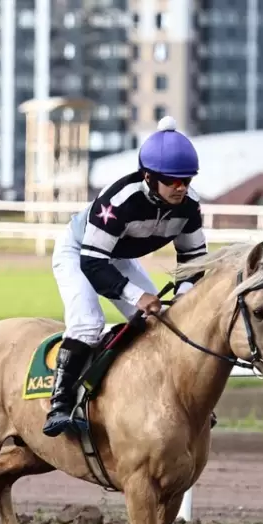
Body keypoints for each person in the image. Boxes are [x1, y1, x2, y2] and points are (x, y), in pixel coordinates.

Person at [43, 115, 210, 438]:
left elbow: (192, 259)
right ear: (149, 177)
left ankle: (159, 399)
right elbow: (92, 264)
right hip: (81, 252)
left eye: (187, 180)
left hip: (117, 256)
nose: (182, 188)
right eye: (173, 181)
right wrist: (137, 296)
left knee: (162, 323)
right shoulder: (120, 200)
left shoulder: (189, 206)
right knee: (88, 322)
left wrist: (184, 296)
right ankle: (60, 405)